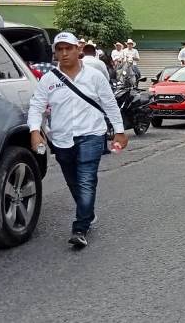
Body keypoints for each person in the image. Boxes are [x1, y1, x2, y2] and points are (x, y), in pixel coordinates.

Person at [28, 32, 128, 249]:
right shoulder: (48, 79)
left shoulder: (94, 76)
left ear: (78, 50)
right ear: (55, 53)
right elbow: (37, 106)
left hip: (91, 133)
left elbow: (109, 103)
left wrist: (119, 131)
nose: (64, 53)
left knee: (86, 179)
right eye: (59, 49)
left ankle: (80, 228)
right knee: (73, 181)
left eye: (68, 48)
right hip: (62, 138)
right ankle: (88, 213)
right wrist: (35, 131)